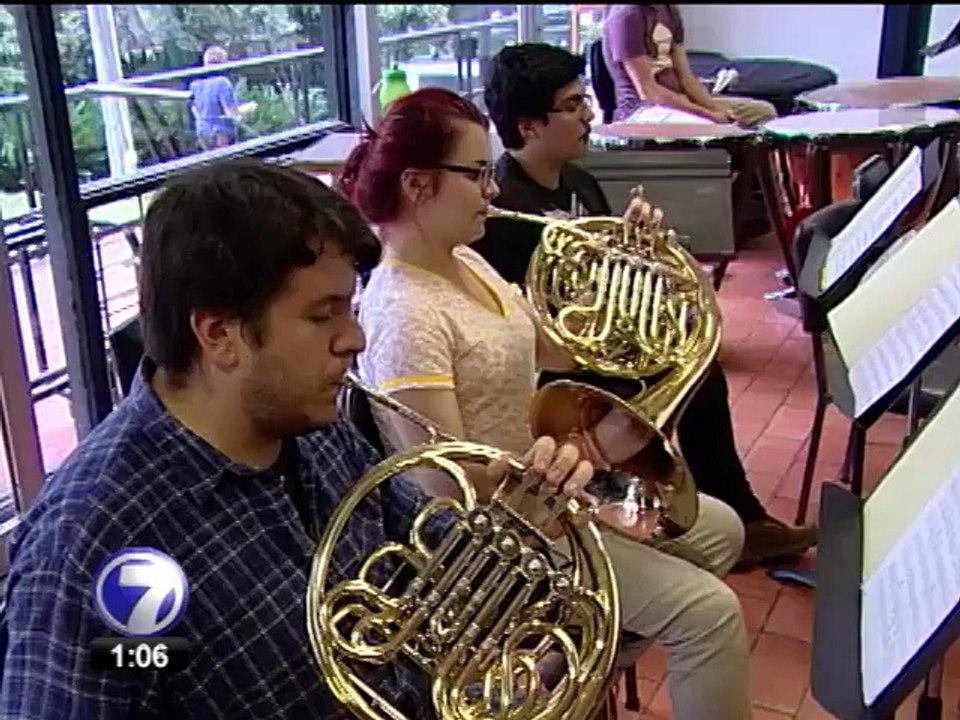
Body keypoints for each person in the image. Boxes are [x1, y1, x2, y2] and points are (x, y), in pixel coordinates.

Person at [0, 159, 594, 718]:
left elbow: (434, 566)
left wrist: (516, 525)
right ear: (220, 335)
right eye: (322, 314)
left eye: (349, 308)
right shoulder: (94, 540)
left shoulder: (317, 430)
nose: (355, 338)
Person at [340, 86, 753, 720]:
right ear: (418, 185)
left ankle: (560, 676)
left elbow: (557, 350)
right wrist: (578, 460)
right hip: (497, 536)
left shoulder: (465, 261)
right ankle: (557, 672)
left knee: (722, 530)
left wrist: (634, 270)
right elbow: (446, 485)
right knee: (709, 613)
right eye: (477, 174)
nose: (492, 190)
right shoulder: (404, 313)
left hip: (547, 494)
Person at [475, 42, 817, 570]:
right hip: (558, 371)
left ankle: (738, 516)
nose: (589, 116)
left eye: (585, 100)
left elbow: (609, 273)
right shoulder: (502, 213)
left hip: (595, 344)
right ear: (529, 126)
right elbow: (521, 322)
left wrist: (643, 253)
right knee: (689, 378)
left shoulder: (580, 181)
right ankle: (719, 519)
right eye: (572, 105)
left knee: (700, 367)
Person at [601, 4, 776, 127]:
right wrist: (709, 115)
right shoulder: (626, 15)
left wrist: (716, 109)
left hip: (681, 102)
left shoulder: (669, 10)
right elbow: (648, 92)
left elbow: (687, 78)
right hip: (643, 111)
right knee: (710, 127)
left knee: (763, 111)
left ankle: (746, 170)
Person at [188, 45, 254, 150]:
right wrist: (249, 107)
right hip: (221, 133)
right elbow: (231, 113)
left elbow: (194, 110)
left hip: (203, 132)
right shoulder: (222, 82)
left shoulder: (195, 85)